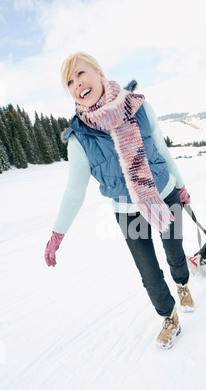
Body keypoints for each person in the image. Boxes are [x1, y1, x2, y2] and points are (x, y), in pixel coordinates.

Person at [44, 52, 194, 350]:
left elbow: (162, 150)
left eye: (80, 74)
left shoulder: (138, 106)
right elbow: (75, 191)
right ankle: (169, 316)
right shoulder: (79, 136)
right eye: (69, 82)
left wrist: (180, 185)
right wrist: (57, 233)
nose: (77, 84)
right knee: (149, 273)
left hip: (164, 195)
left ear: (99, 74)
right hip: (128, 212)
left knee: (175, 253)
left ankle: (182, 283)